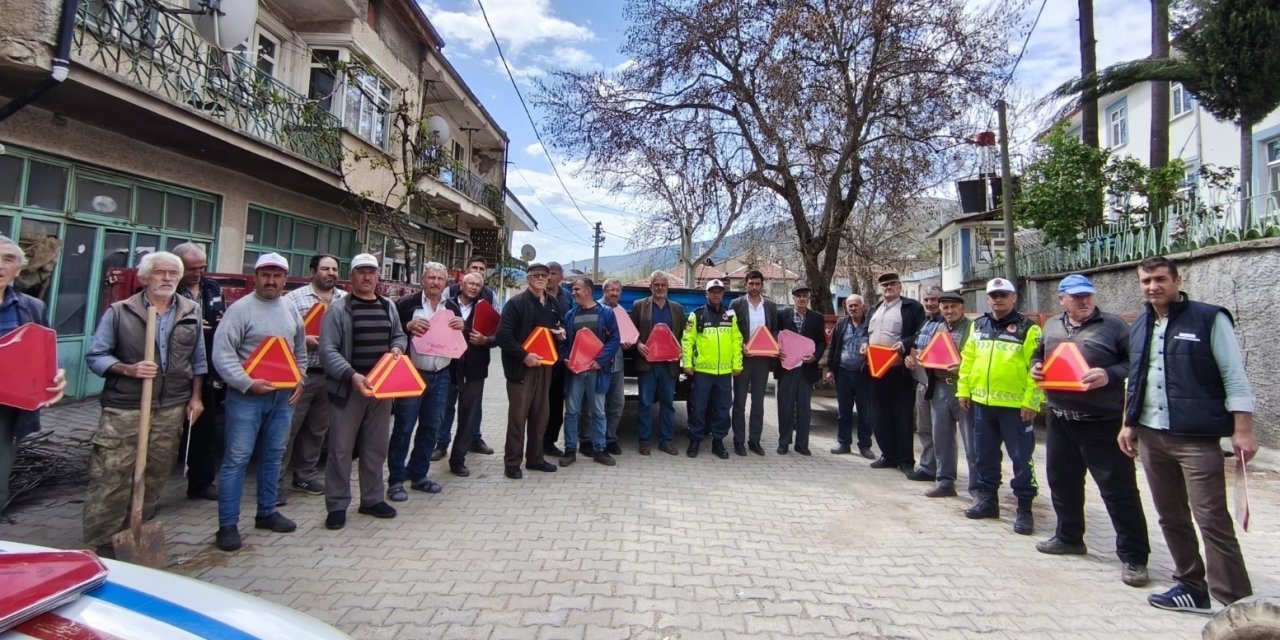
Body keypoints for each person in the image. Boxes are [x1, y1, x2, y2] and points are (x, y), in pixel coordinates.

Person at [1119, 256, 1258, 613]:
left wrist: (1243, 430)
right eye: (1146, 281)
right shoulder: (1140, 325)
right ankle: (1190, 585)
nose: (1153, 286)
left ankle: (1234, 604)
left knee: (1211, 518)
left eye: (1161, 279)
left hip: (1196, 439)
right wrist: (1128, 423)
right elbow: (1135, 380)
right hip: (1151, 436)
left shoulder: (1210, 318)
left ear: (1178, 280)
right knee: (1170, 516)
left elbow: (1234, 376)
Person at [1030, 274, 1149, 587]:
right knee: (1062, 482)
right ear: (1062, 299)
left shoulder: (1114, 326)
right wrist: (1035, 367)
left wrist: (1108, 374)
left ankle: (1134, 557)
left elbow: (1135, 365)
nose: (1084, 302)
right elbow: (1040, 355)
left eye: (1088, 296)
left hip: (1101, 421)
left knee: (1118, 491)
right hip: (1060, 418)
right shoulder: (1053, 325)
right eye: (1076, 297)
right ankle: (1069, 537)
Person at [83, 251, 203, 555]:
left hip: (171, 405)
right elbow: (96, 356)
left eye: (172, 274)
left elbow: (198, 360)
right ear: (145, 277)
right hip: (125, 407)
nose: (167, 279)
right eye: (160, 273)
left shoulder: (190, 311)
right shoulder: (120, 311)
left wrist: (196, 397)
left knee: (156, 471)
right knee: (112, 475)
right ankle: (101, 544)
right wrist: (128, 368)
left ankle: (135, 530)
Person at [210, 253, 307, 552]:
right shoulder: (240, 310)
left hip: (282, 399)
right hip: (246, 398)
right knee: (237, 459)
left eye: (277, 275)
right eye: (266, 274)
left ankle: (267, 512)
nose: (271, 281)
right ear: (255, 277)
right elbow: (222, 354)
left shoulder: (290, 308)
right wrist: (246, 383)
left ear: (285, 279)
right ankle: (227, 525)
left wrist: (300, 379)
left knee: (274, 455)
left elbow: (299, 349)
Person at [317, 253, 406, 530]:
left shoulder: (388, 305)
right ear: (352, 276)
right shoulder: (338, 309)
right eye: (361, 272)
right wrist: (351, 375)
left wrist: (397, 349)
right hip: (349, 389)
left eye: (371, 272)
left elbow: (399, 335)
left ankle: (371, 499)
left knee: (375, 448)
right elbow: (327, 350)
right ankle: (337, 504)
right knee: (341, 449)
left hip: (381, 390)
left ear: (378, 276)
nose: (367, 277)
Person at [956, 277, 1043, 535]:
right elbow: (967, 360)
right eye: (994, 296)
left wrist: (1032, 401)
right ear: (987, 299)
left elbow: (1038, 371)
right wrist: (964, 390)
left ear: (1014, 298)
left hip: (1016, 409)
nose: (998, 299)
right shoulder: (979, 326)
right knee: (985, 457)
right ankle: (987, 502)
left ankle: (1024, 510)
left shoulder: (1029, 329)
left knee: (1021, 460)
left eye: (1003, 295)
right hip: (982, 404)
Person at [0, 235, 66, 516]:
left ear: (20, 269)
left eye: (8, 259)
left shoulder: (31, 307)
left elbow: (43, 355)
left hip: (6, 411)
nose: (0, 265)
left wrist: (53, 378)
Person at [388, 262, 463, 500]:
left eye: (440, 279)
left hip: (441, 376)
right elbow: (390, 332)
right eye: (431, 277)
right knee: (403, 428)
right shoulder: (406, 304)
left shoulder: (451, 306)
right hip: (413, 374)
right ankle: (396, 480)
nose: (435, 283)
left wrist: (463, 326)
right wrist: (406, 326)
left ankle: (419, 474)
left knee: (431, 428)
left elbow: (458, 338)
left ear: (446, 283)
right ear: (422, 279)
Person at [280, 254, 346, 501]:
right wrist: (302, 341)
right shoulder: (293, 299)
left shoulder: (344, 300)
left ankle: (304, 476)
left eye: (335, 269)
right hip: (302, 376)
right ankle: (274, 482)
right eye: (325, 268)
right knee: (288, 430)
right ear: (312, 272)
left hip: (331, 376)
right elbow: (280, 333)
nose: (331, 273)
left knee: (317, 430)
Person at [496, 263, 565, 479]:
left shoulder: (553, 303)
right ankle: (512, 462)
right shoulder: (516, 303)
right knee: (518, 416)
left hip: (544, 367)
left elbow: (554, 329)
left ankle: (535, 458)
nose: (540, 279)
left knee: (540, 414)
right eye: (535, 276)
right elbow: (503, 336)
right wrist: (524, 356)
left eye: (544, 276)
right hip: (521, 368)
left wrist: (560, 334)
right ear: (528, 279)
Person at [905, 291, 974, 499]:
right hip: (940, 387)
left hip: (963, 388)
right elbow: (931, 353)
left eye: (953, 307)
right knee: (941, 438)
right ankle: (945, 482)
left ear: (962, 308)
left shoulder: (973, 329)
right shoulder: (940, 327)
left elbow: (978, 358)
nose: (949, 311)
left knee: (971, 442)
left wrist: (962, 367)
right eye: (945, 307)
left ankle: (979, 489)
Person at [173, 242, 225, 501]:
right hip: (175, 366)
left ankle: (201, 483)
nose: (198, 273)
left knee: (205, 430)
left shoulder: (212, 288)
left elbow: (222, 317)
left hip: (205, 365)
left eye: (202, 267)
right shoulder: (169, 289)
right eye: (192, 268)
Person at [866, 273, 926, 473]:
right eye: (884, 285)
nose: (888, 288)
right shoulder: (874, 309)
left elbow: (920, 333)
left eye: (892, 284)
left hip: (899, 369)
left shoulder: (911, 307)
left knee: (902, 415)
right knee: (880, 415)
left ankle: (906, 461)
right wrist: (864, 344)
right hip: (876, 369)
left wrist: (904, 344)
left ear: (900, 286)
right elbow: (866, 333)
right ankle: (888, 456)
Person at [559, 277, 621, 467]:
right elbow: (563, 341)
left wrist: (600, 361)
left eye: (576, 289)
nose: (574, 292)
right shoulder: (570, 315)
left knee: (598, 412)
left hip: (596, 372)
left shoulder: (606, 313)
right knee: (571, 412)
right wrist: (566, 359)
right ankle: (570, 450)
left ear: (587, 290)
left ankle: (600, 450)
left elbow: (614, 340)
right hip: (575, 372)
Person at [439, 255, 497, 458]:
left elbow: (497, 331)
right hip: (448, 365)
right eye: (471, 280)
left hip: (475, 365)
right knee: (445, 407)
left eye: (482, 271)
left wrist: (487, 340)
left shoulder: (488, 300)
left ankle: (462, 454)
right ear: (462, 281)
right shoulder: (446, 301)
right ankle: (441, 443)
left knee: (471, 411)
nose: (474, 284)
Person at [682, 279, 743, 459]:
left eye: (719, 291)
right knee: (698, 407)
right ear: (706, 294)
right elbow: (687, 340)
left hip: (724, 373)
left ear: (723, 294)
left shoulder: (730, 315)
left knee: (722, 408)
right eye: (712, 291)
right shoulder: (696, 315)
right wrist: (687, 363)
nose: (716, 294)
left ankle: (718, 441)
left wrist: (737, 364)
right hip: (702, 372)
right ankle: (695, 440)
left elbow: (736, 340)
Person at [631, 271, 685, 456]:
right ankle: (644, 441)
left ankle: (666, 440)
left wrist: (681, 351)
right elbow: (632, 332)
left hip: (669, 365)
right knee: (645, 403)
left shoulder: (677, 308)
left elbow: (682, 336)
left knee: (668, 404)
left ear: (668, 287)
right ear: (651, 286)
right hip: (647, 364)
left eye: (663, 285)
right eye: (656, 285)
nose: (660, 288)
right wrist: (638, 345)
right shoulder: (639, 306)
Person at [729, 270, 778, 456]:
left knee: (758, 403)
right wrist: (741, 346)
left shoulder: (771, 306)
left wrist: (773, 347)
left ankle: (755, 441)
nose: (754, 287)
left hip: (763, 361)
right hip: (743, 359)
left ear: (762, 285)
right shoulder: (736, 304)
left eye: (757, 284)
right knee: (739, 402)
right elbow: (731, 330)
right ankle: (738, 441)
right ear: (746, 284)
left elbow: (774, 331)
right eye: (751, 283)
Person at [774, 283, 826, 455]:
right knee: (785, 407)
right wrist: (777, 350)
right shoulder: (782, 315)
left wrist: (815, 357)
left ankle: (802, 444)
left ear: (808, 298)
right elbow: (774, 336)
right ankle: (784, 442)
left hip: (806, 368)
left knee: (804, 408)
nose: (802, 299)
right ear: (793, 298)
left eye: (805, 296)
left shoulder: (817, 318)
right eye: (798, 296)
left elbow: (821, 342)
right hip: (786, 368)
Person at [824, 294, 874, 459]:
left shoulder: (870, 324)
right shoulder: (842, 323)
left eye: (856, 305)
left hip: (864, 374)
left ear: (863, 306)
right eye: (850, 306)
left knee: (864, 412)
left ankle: (865, 446)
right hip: (843, 373)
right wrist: (830, 368)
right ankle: (843, 443)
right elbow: (834, 347)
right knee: (844, 411)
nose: (853, 308)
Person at [906, 286, 944, 482]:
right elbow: (916, 346)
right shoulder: (924, 322)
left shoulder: (946, 323)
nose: (929, 303)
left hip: (939, 383)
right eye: (926, 300)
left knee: (941, 431)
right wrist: (909, 358)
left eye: (934, 299)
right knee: (924, 427)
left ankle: (943, 473)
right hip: (921, 381)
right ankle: (928, 467)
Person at [541, 261, 573, 457]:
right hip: (539, 358)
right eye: (547, 274)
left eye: (553, 273)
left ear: (561, 277)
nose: (550, 277)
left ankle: (549, 442)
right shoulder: (537, 296)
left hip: (560, 359)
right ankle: (536, 442)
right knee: (538, 403)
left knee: (556, 403)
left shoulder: (568, 297)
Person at [595, 278, 630, 456]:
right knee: (596, 406)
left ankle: (610, 439)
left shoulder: (622, 311)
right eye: (611, 290)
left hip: (617, 366)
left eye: (617, 290)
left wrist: (628, 343)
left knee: (617, 404)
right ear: (604, 291)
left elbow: (627, 336)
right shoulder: (596, 309)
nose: (614, 293)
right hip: (600, 365)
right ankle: (594, 441)